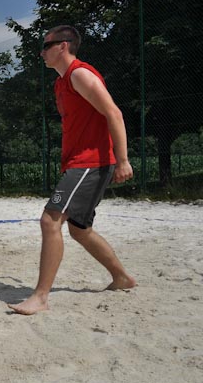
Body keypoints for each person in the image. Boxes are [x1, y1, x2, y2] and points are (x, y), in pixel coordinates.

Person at [9, 25, 136, 316]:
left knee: (49, 220)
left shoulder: (80, 74)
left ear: (63, 46)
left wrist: (123, 159)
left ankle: (40, 297)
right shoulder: (61, 83)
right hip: (80, 162)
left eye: (46, 45)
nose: (42, 52)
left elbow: (114, 113)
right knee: (80, 230)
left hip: (90, 162)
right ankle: (122, 278)